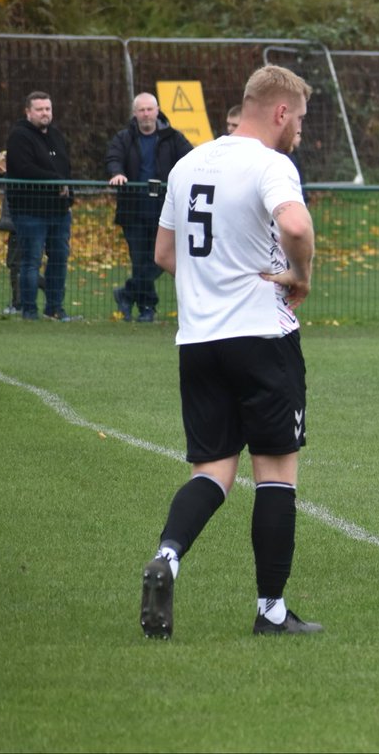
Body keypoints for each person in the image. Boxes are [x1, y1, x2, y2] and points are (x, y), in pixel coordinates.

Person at [139, 65, 321, 638]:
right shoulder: (271, 164)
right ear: (280, 111)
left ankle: (168, 556)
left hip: (198, 341)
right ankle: (271, 611)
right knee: (275, 474)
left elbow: (165, 254)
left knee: (212, 471)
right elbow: (294, 223)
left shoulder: (187, 163)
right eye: (301, 121)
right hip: (261, 337)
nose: (300, 135)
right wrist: (301, 274)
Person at [106, 92, 193, 322]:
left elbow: (190, 160)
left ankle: (126, 293)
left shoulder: (172, 137)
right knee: (139, 260)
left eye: (149, 109)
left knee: (159, 259)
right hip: (133, 211)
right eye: (141, 110)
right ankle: (147, 308)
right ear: (135, 113)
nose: (146, 114)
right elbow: (113, 157)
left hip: (164, 210)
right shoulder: (124, 138)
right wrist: (117, 173)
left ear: (157, 110)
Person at [4, 91, 75, 322]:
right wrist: (56, 181)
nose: (45, 113)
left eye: (48, 109)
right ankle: (29, 310)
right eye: (40, 109)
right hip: (30, 211)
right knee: (31, 261)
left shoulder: (56, 135)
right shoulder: (18, 136)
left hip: (59, 211)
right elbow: (24, 169)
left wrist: (68, 197)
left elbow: (66, 169)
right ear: (28, 112)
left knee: (59, 259)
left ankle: (54, 308)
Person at [0, 148, 27, 315]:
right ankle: (19, 302)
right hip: (17, 223)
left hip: (22, 221)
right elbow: (3, 175)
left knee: (18, 264)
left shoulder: (25, 166)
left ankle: (20, 303)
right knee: (17, 264)